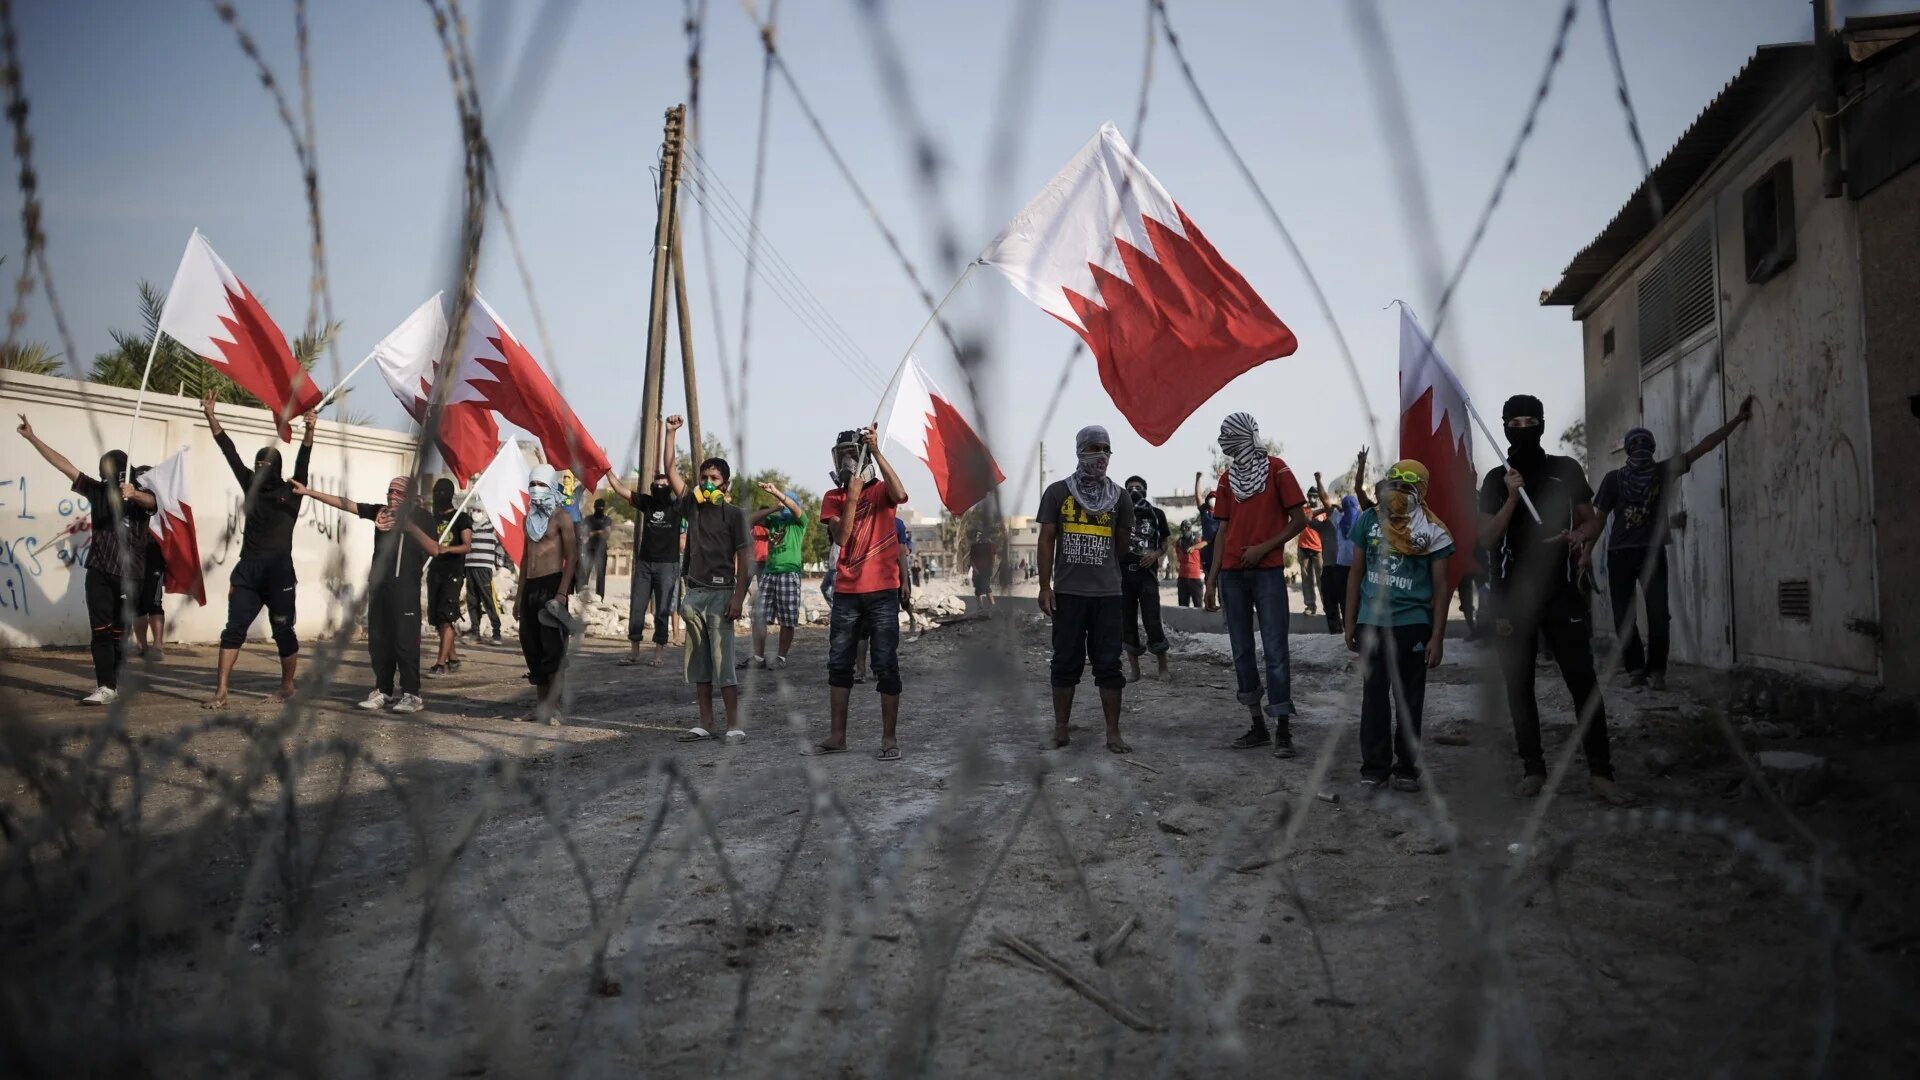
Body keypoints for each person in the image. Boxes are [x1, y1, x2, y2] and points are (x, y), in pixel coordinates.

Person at [1479, 394, 1624, 803]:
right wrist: (1511, 497)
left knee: (1583, 682)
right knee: (1518, 688)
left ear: (1542, 423)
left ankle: (1601, 772)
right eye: (1515, 421)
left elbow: (1591, 519)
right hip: (1511, 598)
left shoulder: (1566, 470)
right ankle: (1533, 768)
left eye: (1531, 420)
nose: (1523, 428)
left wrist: (1582, 535)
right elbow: (1486, 537)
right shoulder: (1495, 479)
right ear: (1504, 425)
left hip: (1561, 594)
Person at [1592, 397, 1754, 690]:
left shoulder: (1662, 471)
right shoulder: (1613, 480)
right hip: (1619, 555)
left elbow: (1704, 446)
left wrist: (1736, 420)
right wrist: (1584, 551)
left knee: (1658, 613)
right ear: (1628, 450)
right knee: (1623, 615)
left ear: (1652, 449)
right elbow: (1599, 520)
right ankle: (1636, 671)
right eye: (1635, 445)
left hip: (1651, 553)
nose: (1640, 450)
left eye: (1645, 445)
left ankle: (1657, 672)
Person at [16, 416, 155, 704]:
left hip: (130, 576)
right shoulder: (97, 491)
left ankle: (114, 683)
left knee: (119, 633)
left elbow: (153, 503)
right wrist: (32, 438)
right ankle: (105, 686)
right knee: (101, 632)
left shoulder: (142, 492)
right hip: (99, 571)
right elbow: (64, 465)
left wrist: (136, 494)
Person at [1345, 459, 1455, 796]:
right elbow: (1356, 573)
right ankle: (1374, 769)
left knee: (1409, 701)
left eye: (1409, 484)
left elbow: (1440, 589)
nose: (1400, 490)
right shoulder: (1368, 519)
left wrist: (1437, 637)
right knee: (1373, 698)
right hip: (1372, 625)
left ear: (1421, 489)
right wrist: (1350, 621)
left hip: (1412, 627)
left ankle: (1407, 768)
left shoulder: (1434, 531)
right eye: (1395, 482)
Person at [1203, 413, 1308, 756]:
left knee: (1276, 651)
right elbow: (1222, 531)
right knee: (1242, 651)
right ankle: (1258, 726)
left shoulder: (1277, 469)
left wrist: (1264, 548)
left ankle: (1282, 730)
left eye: (1229, 435)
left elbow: (1299, 520)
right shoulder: (1227, 478)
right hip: (1232, 576)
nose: (1224, 442)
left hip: (1268, 572)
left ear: (1246, 436)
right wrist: (1211, 579)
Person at [293, 476, 442, 714]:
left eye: (397, 493)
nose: (391, 496)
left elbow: (435, 549)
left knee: (405, 643)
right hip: (380, 587)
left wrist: (409, 527)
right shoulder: (380, 513)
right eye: (389, 491)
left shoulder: (421, 517)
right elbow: (347, 504)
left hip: (405, 589)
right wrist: (309, 492)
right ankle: (383, 690)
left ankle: (411, 694)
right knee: (379, 642)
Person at [203, 393, 314, 709]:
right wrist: (212, 415)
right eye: (258, 464)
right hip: (248, 570)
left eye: (267, 464)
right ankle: (221, 692)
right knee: (233, 630)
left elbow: (303, 459)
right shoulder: (249, 484)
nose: (262, 468)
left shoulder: (291, 491)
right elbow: (229, 452)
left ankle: (287, 686)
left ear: (277, 468)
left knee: (283, 631)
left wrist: (309, 430)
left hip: (279, 572)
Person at [808, 425, 909, 760]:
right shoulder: (832, 498)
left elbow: (901, 492)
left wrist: (877, 451)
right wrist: (851, 496)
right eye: (843, 456)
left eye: (854, 455)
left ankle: (889, 739)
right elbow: (842, 537)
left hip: (882, 591)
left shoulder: (881, 492)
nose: (849, 462)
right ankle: (838, 736)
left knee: (885, 663)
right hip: (848, 592)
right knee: (839, 663)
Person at [1037, 425, 1135, 754]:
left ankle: (1113, 733)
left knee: (1109, 664)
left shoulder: (1120, 497)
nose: (1102, 455)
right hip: (1068, 593)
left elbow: (1122, 548)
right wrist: (1044, 586)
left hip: (1108, 595)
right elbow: (1046, 540)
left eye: (1107, 449)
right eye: (1095, 448)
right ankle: (1061, 729)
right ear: (1080, 450)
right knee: (1065, 661)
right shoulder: (1056, 493)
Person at [663, 416, 753, 742]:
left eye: (714, 478)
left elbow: (746, 561)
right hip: (695, 595)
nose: (707, 483)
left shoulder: (735, 515)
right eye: (704, 477)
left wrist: (738, 598)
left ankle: (734, 725)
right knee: (699, 662)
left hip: (721, 595)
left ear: (725, 484)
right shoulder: (693, 507)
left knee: (722, 661)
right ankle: (705, 723)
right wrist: (670, 433)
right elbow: (671, 470)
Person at [517, 463, 578, 724]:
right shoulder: (527, 519)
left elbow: (572, 557)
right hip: (530, 587)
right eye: (532, 484)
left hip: (551, 586)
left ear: (551, 485)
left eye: (541, 484)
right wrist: (519, 597)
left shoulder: (561, 517)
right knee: (532, 648)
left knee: (553, 651)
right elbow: (524, 558)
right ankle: (541, 708)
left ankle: (554, 708)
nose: (535, 489)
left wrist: (562, 593)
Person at [607, 468, 684, 667]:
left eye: (663, 485)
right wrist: (607, 470)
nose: (659, 488)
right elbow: (619, 489)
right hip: (644, 564)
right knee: (637, 608)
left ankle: (658, 654)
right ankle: (634, 652)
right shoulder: (647, 503)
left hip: (667, 565)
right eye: (656, 485)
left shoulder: (677, 506)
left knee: (662, 611)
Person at [744, 482, 806, 669]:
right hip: (770, 573)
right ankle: (758, 657)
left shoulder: (799, 522)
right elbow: (749, 520)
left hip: (789, 573)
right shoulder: (774, 521)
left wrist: (780, 496)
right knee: (758, 616)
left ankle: (781, 657)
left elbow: (795, 509)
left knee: (787, 619)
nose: (784, 505)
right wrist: (773, 508)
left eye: (786, 502)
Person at [1120, 475, 1170, 681]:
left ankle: (1163, 668)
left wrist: (1155, 555)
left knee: (1152, 621)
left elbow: (1165, 542)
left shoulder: (1157, 514)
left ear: (1145, 490)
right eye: (1130, 487)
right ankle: (1135, 670)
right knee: (1127, 623)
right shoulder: (1119, 513)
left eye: (1138, 487)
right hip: (1123, 575)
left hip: (1147, 576)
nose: (1134, 490)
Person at [425, 478, 473, 678]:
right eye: (436, 493)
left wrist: (446, 549)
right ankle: (453, 658)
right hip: (434, 572)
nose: (439, 497)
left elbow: (467, 546)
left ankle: (440, 664)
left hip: (452, 573)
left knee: (446, 617)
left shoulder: (461, 518)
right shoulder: (432, 518)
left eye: (442, 493)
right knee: (437, 619)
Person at [128, 464, 168, 661]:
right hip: (135, 557)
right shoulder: (131, 502)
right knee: (137, 603)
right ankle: (142, 645)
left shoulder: (159, 500)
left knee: (154, 601)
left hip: (155, 556)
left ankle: (158, 645)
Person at [464, 503, 504, 646]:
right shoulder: (468, 528)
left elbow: (502, 544)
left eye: (478, 510)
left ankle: (496, 632)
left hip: (484, 568)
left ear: (485, 513)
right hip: (470, 567)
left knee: (488, 600)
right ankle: (475, 633)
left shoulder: (492, 528)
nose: (475, 513)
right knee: (472, 601)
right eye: (473, 510)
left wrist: (498, 562)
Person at [1295, 488, 1323, 618]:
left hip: (1318, 549)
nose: (1312, 499)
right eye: (1309, 496)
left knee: (1322, 579)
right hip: (1304, 548)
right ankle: (1310, 605)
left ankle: (1328, 605)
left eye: (1314, 497)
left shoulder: (1324, 512)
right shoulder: (1304, 511)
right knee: (1306, 579)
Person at [579, 498, 612, 599]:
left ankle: (600, 598)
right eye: (598, 507)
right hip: (589, 550)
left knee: (600, 576)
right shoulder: (588, 519)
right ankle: (582, 596)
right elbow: (583, 532)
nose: (600, 509)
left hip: (601, 551)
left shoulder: (607, 519)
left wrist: (593, 533)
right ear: (594, 507)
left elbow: (607, 533)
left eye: (601, 507)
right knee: (585, 574)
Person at [967, 530, 998, 617]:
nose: (979, 538)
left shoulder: (991, 546)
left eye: (980, 536)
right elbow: (971, 559)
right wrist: (975, 569)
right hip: (977, 570)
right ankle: (981, 607)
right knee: (978, 589)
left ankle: (992, 605)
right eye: (977, 536)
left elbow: (994, 558)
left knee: (986, 587)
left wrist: (991, 568)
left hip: (986, 570)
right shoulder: (974, 547)